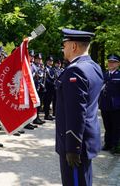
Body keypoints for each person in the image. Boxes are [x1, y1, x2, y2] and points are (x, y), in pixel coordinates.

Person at [55, 28, 103, 186]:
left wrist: (73, 148)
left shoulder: (75, 70)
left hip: (76, 145)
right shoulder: (94, 66)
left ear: (73, 46)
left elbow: (77, 113)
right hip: (86, 139)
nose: (63, 48)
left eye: (65, 44)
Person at [99, 54, 120, 154]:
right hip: (104, 104)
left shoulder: (119, 75)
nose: (111, 63)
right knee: (107, 125)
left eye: (113, 62)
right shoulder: (104, 74)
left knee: (116, 126)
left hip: (116, 105)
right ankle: (108, 144)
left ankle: (115, 145)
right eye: (109, 61)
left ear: (118, 63)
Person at [43, 55, 56, 121]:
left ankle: (48, 114)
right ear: (47, 61)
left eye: (52, 61)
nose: (51, 62)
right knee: (47, 102)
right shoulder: (45, 69)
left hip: (52, 88)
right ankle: (46, 114)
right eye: (49, 60)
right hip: (47, 87)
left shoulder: (52, 69)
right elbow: (46, 79)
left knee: (50, 100)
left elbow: (54, 78)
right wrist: (52, 83)